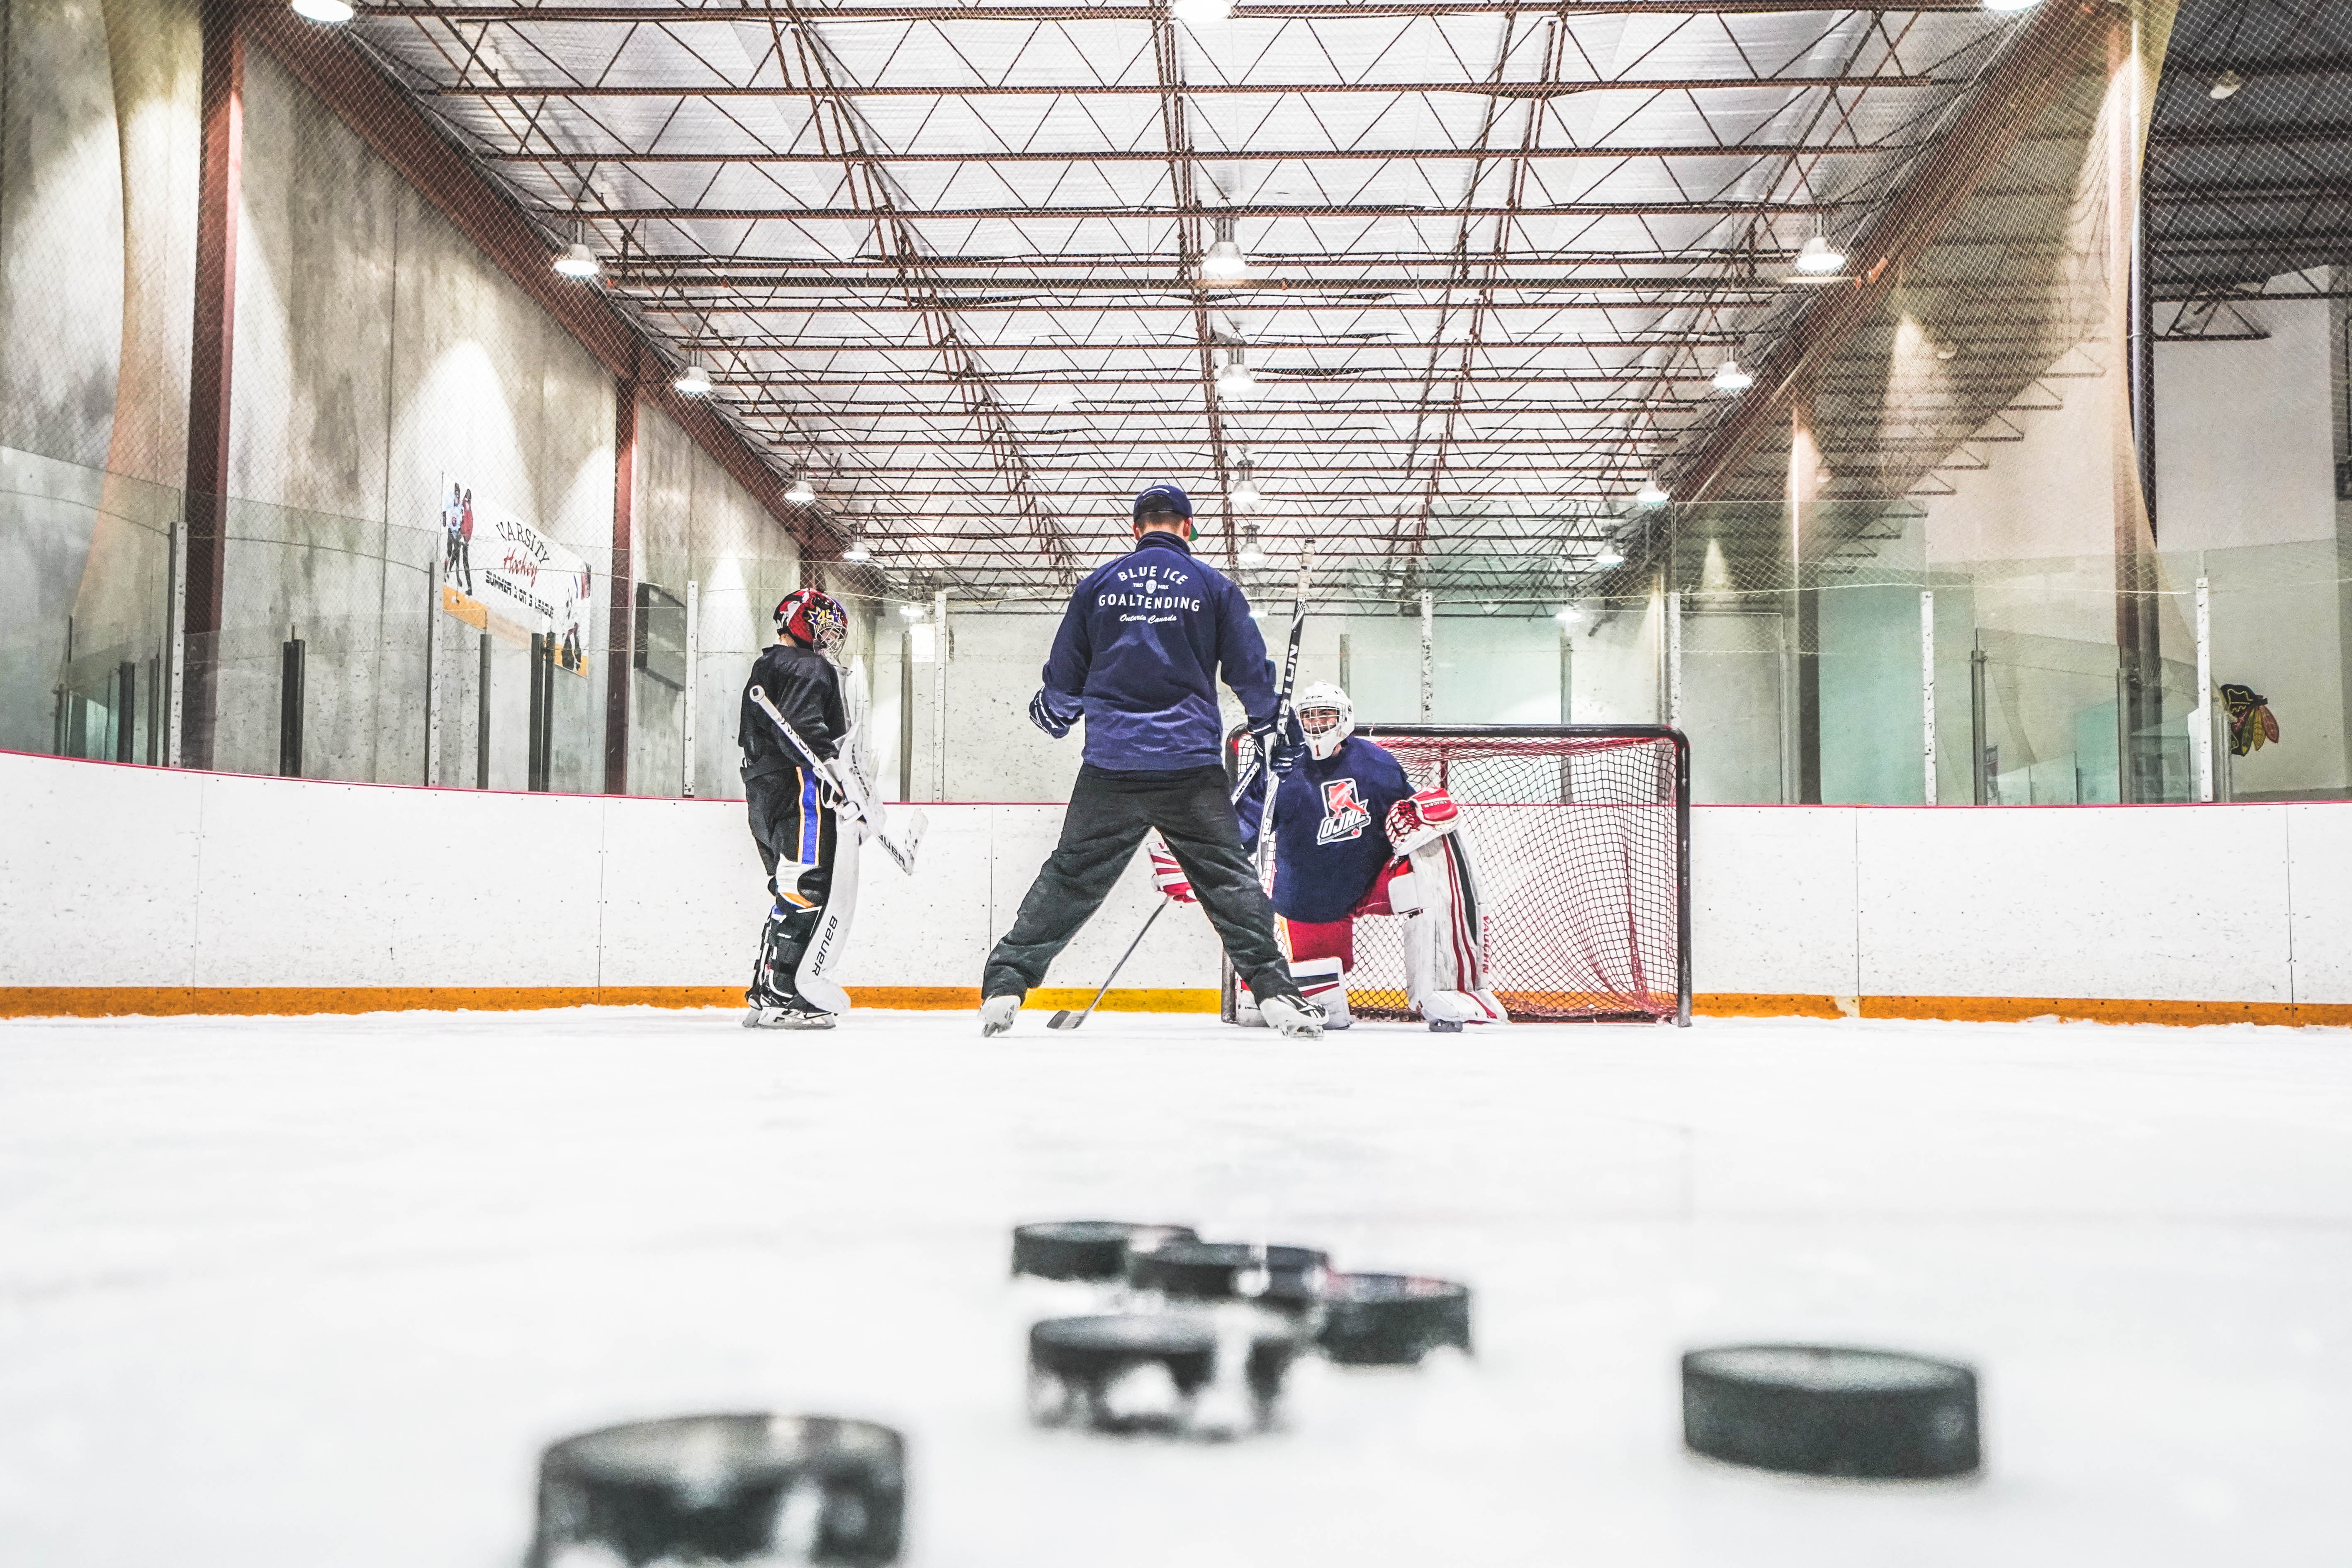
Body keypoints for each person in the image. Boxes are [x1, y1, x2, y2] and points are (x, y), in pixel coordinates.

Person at [980, 480, 1324, 1039]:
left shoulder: (1098, 585)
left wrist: (1055, 710)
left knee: (1070, 878)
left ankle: (1004, 986)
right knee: (1228, 881)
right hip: (1187, 764)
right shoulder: (1214, 587)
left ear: (1135, 528)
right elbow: (1249, 673)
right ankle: (1277, 993)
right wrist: (1274, 729)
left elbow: (1066, 675)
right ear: (1187, 528)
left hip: (1111, 764)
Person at [1206, 680, 1505, 1030]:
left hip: (1375, 877)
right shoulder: (1281, 768)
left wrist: (1421, 815)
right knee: (1324, 995)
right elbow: (1244, 825)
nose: (1317, 725)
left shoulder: (1377, 763)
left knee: (1432, 870)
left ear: (1344, 718)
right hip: (1312, 895)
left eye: (1325, 715)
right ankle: (1272, 992)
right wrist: (1207, 857)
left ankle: (1449, 992)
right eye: (1309, 717)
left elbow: (1410, 820)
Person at [739, 587, 852, 1029]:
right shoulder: (809, 665)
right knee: (806, 888)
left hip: (764, 790)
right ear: (802, 622)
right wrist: (838, 777)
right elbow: (804, 729)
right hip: (800, 786)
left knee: (788, 889)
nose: (827, 641)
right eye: (822, 629)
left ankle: (765, 994)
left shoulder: (771, 664)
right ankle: (789, 996)